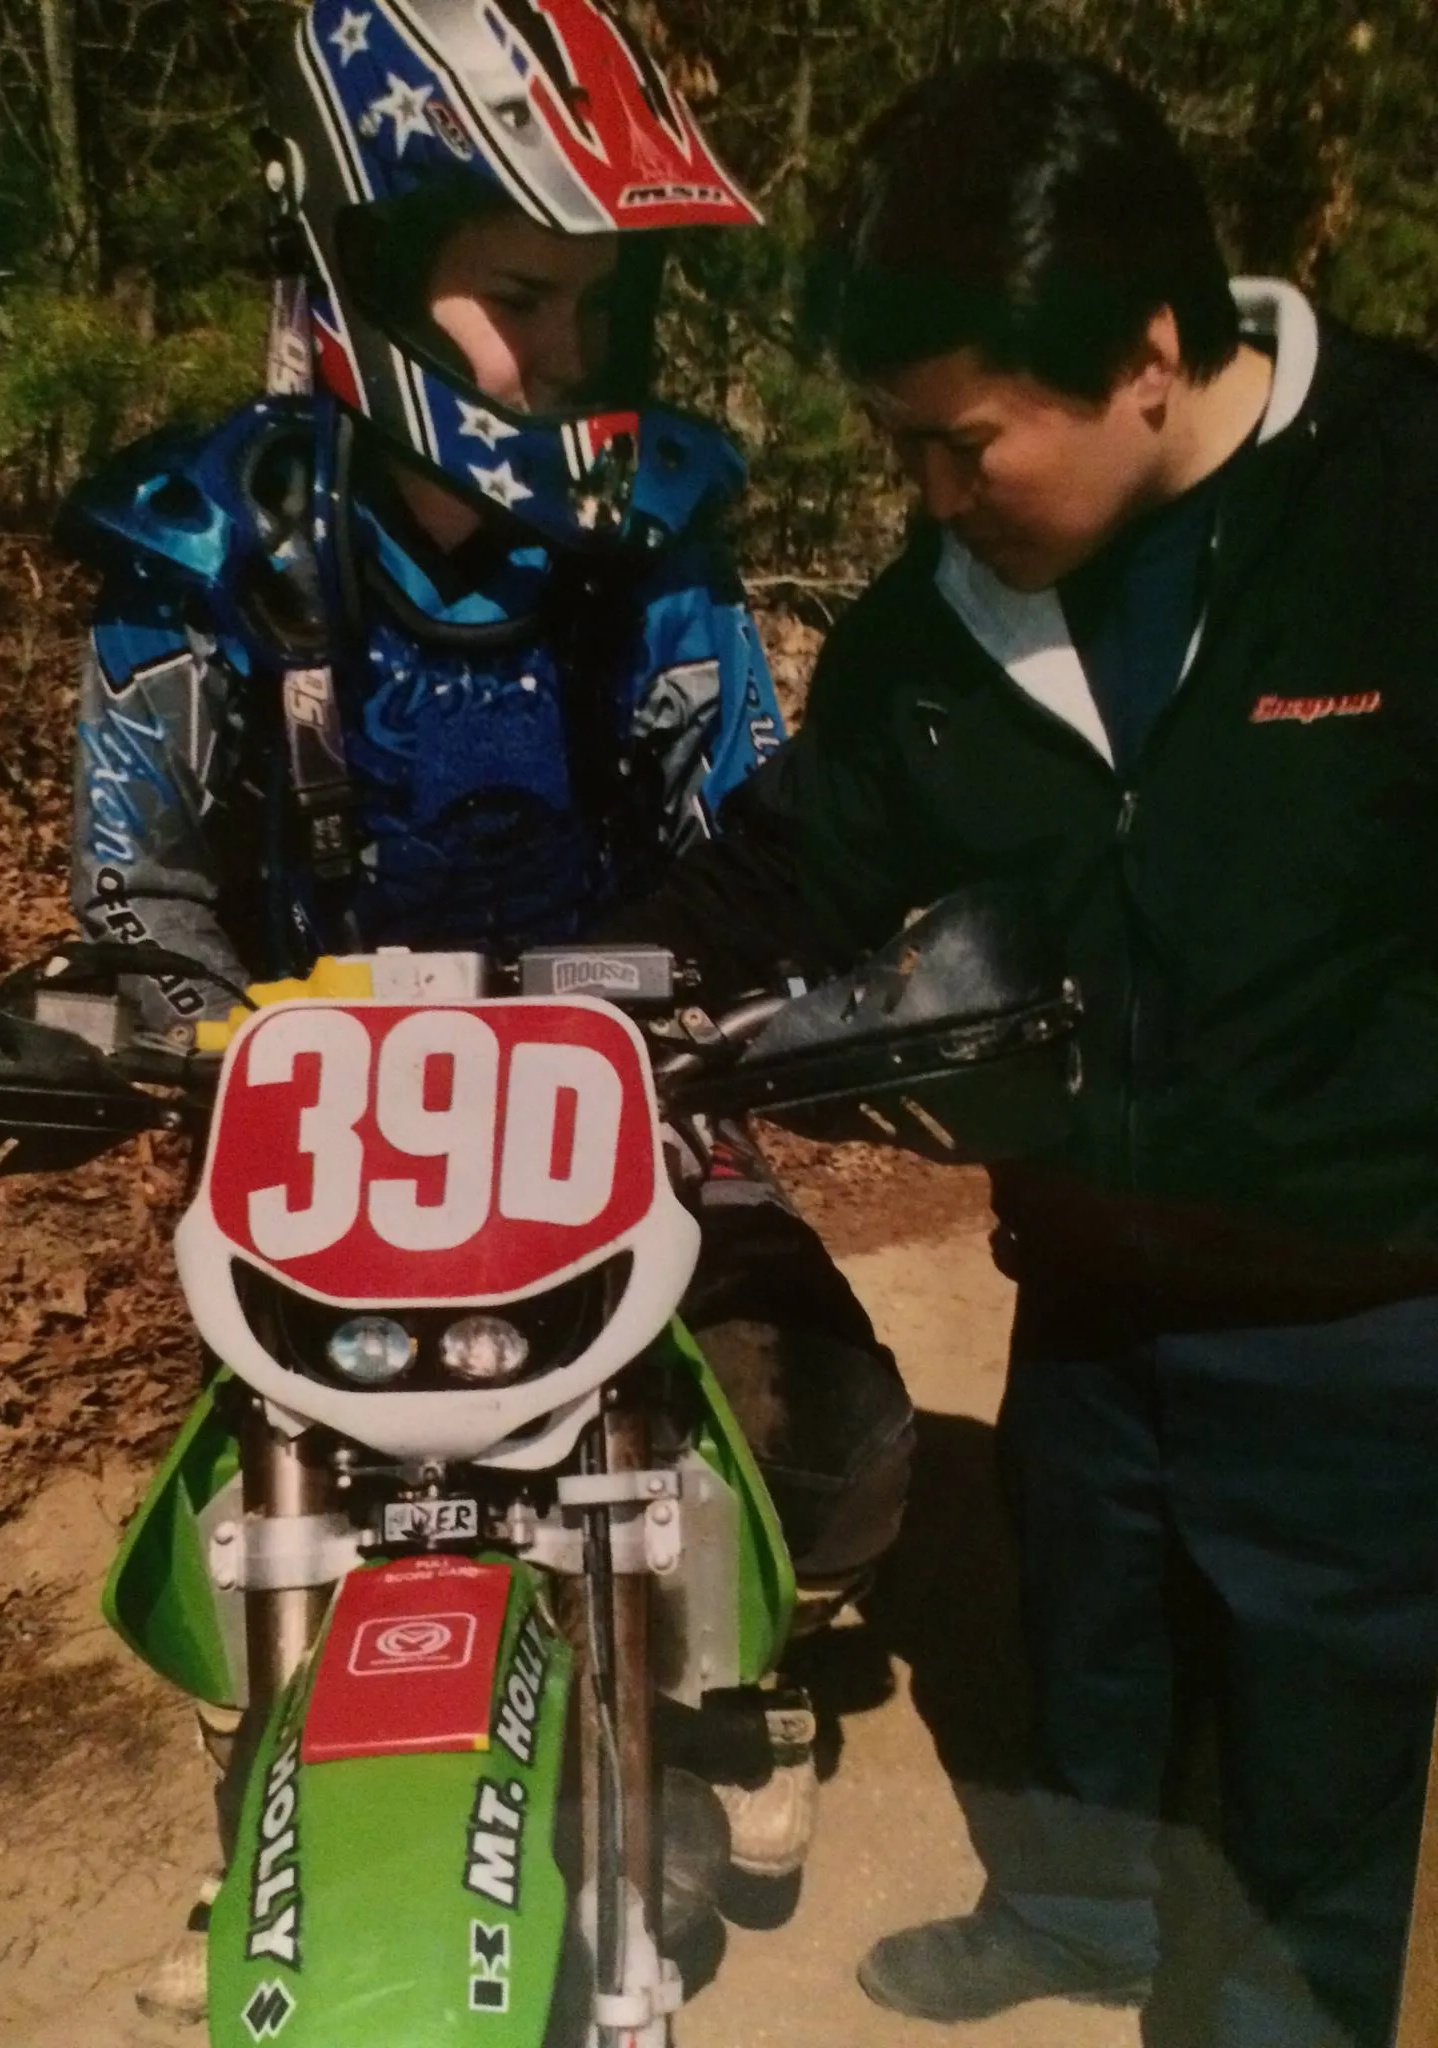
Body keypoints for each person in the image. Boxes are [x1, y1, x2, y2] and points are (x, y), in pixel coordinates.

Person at [60, 0, 914, 2021]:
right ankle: (280, 1778)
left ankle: (720, 1691)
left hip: (630, 1075)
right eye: (518, 296)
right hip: (320, 1108)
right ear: (357, 268)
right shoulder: (199, 549)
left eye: (596, 308)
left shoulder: (657, 541)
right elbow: (136, 865)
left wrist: (781, 995)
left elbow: (748, 816)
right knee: (246, 1469)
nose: (564, 354)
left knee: (833, 1428)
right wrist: (153, 1002)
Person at [599, 55, 1438, 2048]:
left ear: (1150, 349)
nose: (934, 496)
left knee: (1317, 1773)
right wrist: (568, 985)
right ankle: (1075, 1913)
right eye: (901, 450)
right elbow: (783, 870)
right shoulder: (932, 629)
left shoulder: (1404, 507)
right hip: (1080, 1287)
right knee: (1090, 1660)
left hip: (1362, 1317)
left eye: (963, 443)